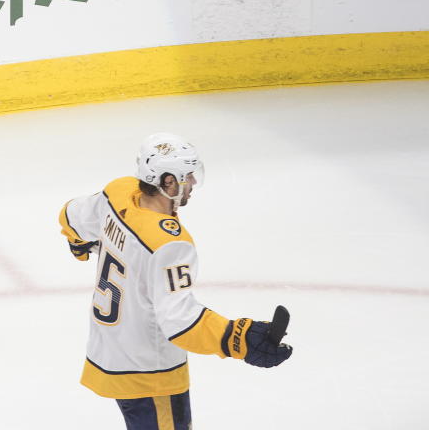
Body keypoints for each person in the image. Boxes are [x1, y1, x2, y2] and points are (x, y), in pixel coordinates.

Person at [58, 133, 292, 429]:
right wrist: (239, 338)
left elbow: (71, 215)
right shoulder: (170, 244)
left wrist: (77, 240)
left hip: (112, 348)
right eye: (187, 176)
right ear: (168, 181)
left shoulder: (117, 194)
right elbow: (180, 321)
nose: (192, 183)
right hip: (148, 369)